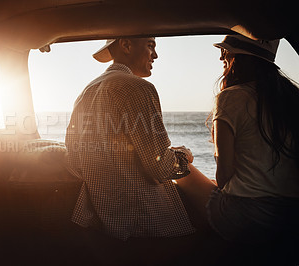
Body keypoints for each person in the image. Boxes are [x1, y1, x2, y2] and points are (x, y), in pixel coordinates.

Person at [65, 38, 196, 241]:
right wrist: (183, 156)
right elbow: (160, 167)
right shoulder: (138, 88)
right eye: (150, 46)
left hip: (98, 218)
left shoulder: (87, 91)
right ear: (126, 46)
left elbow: (75, 161)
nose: (155, 55)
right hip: (141, 220)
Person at [207, 34, 299, 246]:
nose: (222, 59)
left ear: (237, 57)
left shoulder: (230, 97)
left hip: (247, 215)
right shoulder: (292, 98)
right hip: (291, 216)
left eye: (224, 53)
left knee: (185, 176)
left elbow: (223, 178)